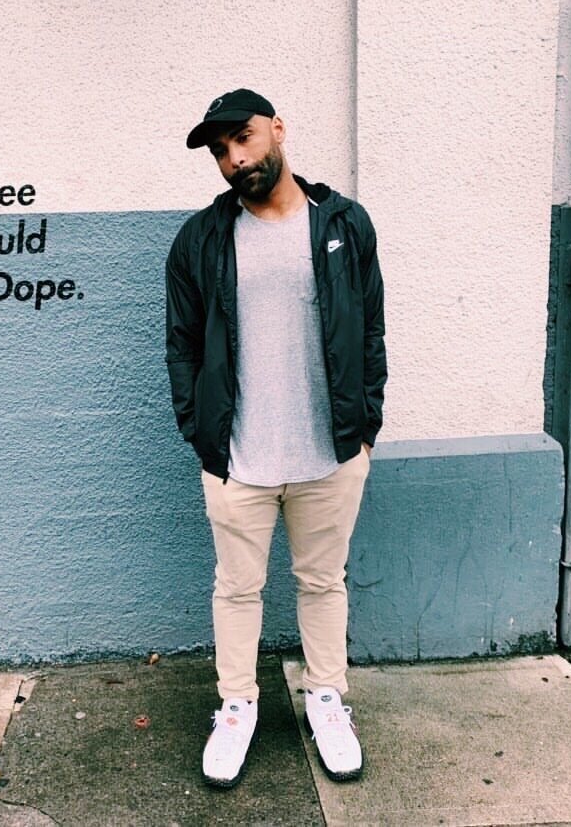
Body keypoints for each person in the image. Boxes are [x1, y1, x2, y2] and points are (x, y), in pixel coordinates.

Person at [165, 89, 387, 787]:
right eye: (221, 150)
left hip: (330, 452)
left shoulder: (344, 224)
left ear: (278, 130)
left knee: (322, 582)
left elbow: (371, 329)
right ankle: (237, 707)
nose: (234, 158)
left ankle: (326, 699)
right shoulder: (200, 240)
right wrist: (201, 433)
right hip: (239, 459)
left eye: (244, 138)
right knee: (237, 588)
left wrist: (366, 427)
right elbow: (182, 345)